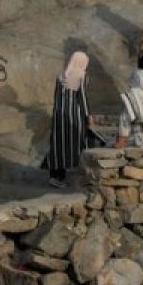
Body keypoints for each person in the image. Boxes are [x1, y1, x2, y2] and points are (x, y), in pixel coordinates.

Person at [45, 51, 93, 188]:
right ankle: (86, 175)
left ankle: (56, 177)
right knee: (80, 143)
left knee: (58, 145)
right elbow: (82, 98)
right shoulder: (82, 76)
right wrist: (88, 116)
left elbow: (56, 98)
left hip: (59, 116)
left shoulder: (61, 75)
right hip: (74, 117)